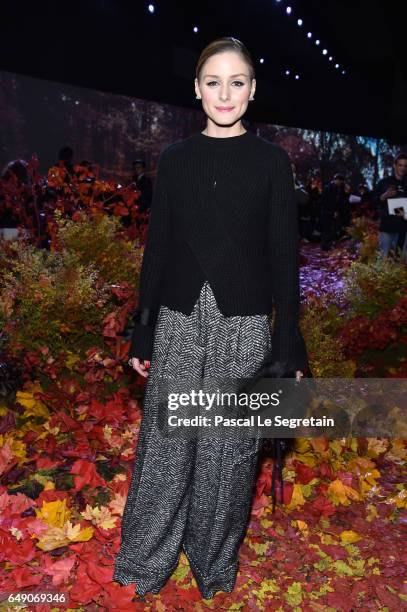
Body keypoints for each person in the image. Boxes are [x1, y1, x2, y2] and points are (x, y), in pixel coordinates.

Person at [113, 37, 309, 600]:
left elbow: (284, 258)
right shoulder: (175, 160)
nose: (225, 93)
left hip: (244, 323)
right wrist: (143, 325)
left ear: (253, 90)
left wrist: (287, 344)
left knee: (228, 453)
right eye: (214, 82)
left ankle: (212, 564)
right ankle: (145, 561)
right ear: (197, 89)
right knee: (167, 444)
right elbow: (158, 250)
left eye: (237, 81)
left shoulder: (273, 163)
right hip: (176, 318)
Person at [373, 152, 407, 258]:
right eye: (400, 165)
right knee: (383, 259)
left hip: (404, 229)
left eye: (405, 165)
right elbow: (373, 202)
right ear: (395, 165)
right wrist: (384, 196)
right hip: (387, 227)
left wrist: (405, 214)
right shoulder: (384, 182)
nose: (403, 168)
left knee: (401, 262)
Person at [320, 173, 347, 251]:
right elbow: (325, 201)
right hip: (327, 212)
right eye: (340, 181)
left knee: (333, 229)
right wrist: (332, 211)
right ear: (336, 180)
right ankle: (325, 246)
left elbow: (340, 201)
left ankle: (329, 244)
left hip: (334, 212)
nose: (340, 183)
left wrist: (337, 210)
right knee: (326, 229)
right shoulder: (328, 188)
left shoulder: (339, 189)